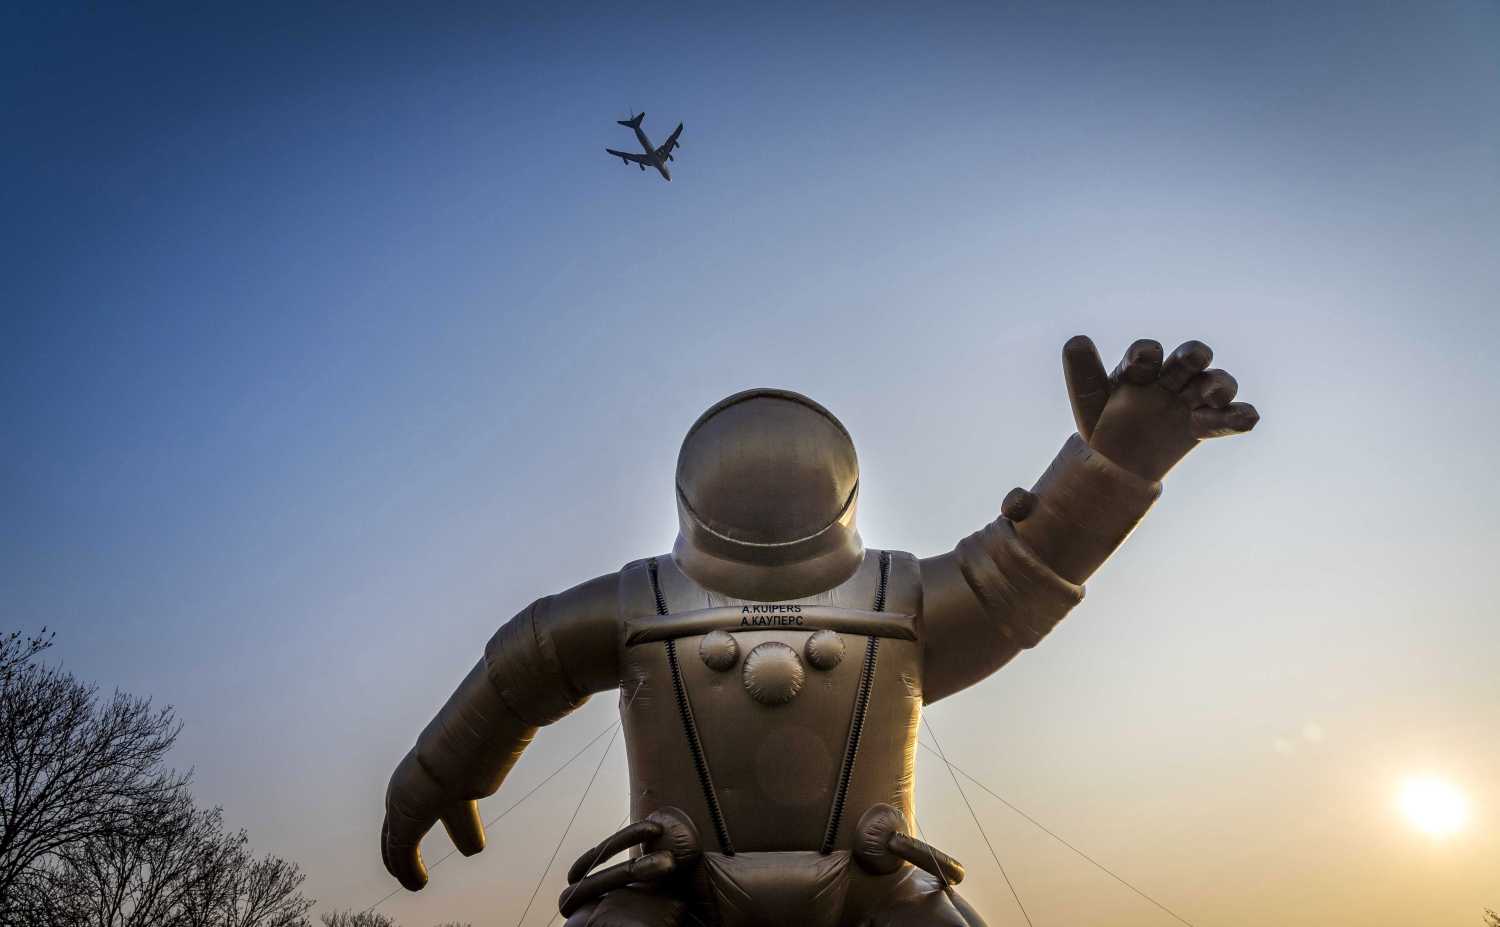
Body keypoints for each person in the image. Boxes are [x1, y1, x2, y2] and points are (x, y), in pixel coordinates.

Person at [380, 336, 1259, 927]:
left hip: (817, 884)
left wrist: (433, 776)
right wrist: (1117, 462)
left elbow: (519, 665)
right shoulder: (896, 598)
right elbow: (1017, 576)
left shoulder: (646, 602)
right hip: (722, 885)